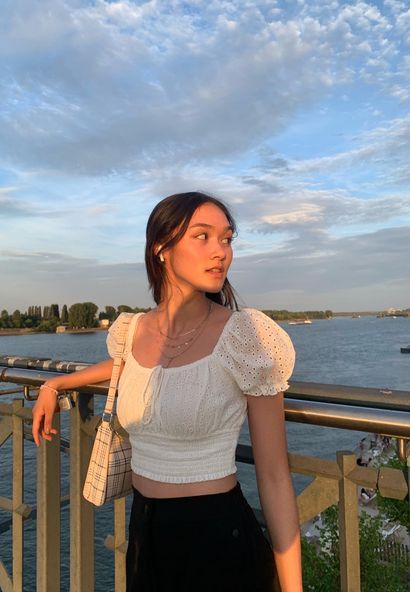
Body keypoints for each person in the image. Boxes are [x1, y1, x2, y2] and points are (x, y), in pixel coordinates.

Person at [32, 192, 303, 592]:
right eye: (203, 237)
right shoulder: (133, 331)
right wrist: (54, 384)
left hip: (217, 541)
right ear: (161, 247)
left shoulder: (246, 337)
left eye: (227, 239)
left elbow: (275, 477)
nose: (220, 253)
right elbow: (131, 368)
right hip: (145, 535)